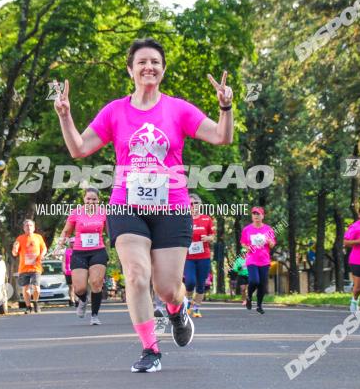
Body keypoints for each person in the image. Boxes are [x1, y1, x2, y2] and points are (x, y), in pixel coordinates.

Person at [53, 37, 234, 372]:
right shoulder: (115, 111)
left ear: (162, 70)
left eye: (155, 62)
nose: (148, 67)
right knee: (136, 275)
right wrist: (65, 116)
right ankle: (150, 349)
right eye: (141, 62)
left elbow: (222, 137)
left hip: (172, 207)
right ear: (130, 69)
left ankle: (178, 310)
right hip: (126, 205)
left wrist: (226, 108)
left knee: (166, 288)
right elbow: (79, 148)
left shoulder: (178, 109)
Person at [59, 188, 108, 325]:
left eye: (94, 199)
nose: (91, 201)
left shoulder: (103, 213)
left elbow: (111, 232)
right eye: (88, 199)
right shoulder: (76, 213)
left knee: (96, 283)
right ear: (84, 199)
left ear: (98, 200)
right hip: (79, 252)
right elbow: (66, 232)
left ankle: (94, 315)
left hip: (98, 250)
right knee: (79, 288)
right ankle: (83, 299)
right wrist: (59, 245)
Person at [184, 193, 215, 318]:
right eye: (191, 204)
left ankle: (196, 309)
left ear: (200, 205)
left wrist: (207, 238)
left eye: (196, 203)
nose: (193, 206)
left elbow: (212, 237)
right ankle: (189, 302)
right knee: (190, 282)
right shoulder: (185, 219)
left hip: (204, 256)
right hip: (188, 257)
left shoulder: (207, 219)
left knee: (201, 284)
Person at [240, 207, 276, 314]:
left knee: (262, 284)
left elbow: (272, 244)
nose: (256, 216)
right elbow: (243, 243)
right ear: (252, 216)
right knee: (254, 281)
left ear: (262, 216)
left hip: (264, 260)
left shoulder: (268, 229)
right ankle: (249, 297)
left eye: (258, 214)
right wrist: (247, 248)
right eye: (254, 214)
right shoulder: (247, 229)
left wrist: (270, 241)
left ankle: (259, 305)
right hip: (252, 259)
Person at [11, 219, 47, 313]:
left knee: (36, 288)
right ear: (24, 228)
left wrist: (42, 255)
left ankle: (35, 303)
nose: (28, 227)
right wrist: (14, 249)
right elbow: (15, 253)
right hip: (24, 268)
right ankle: (28, 307)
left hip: (36, 267)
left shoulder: (38, 237)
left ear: (34, 228)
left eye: (30, 225)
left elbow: (44, 249)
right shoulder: (20, 238)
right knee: (26, 289)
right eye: (26, 226)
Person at [63, 237, 76, 307]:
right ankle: (72, 300)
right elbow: (64, 261)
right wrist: (64, 269)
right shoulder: (67, 251)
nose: (72, 244)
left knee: (76, 286)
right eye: (71, 242)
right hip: (68, 271)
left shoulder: (78, 250)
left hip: (77, 270)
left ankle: (77, 299)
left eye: (74, 242)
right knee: (71, 287)